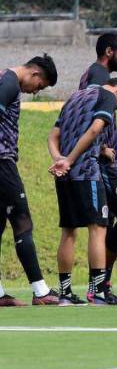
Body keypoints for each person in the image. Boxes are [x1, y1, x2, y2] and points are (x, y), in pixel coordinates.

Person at [47, 78, 117, 305]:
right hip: (86, 172)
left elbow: (53, 136)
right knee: (98, 228)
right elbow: (95, 129)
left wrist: (60, 160)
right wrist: (71, 160)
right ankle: (98, 291)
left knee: (69, 231)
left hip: (65, 176)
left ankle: (64, 293)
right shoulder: (107, 97)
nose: (116, 109)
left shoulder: (74, 97)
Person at [78, 32, 117, 303]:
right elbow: (88, 116)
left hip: (108, 164)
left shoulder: (99, 76)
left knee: (111, 221)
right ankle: (100, 283)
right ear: (109, 52)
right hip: (103, 165)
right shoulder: (100, 79)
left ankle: (100, 285)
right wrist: (101, 149)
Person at [0, 55, 60, 307]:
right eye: (41, 86)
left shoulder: (5, 78)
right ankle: (40, 291)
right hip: (2, 163)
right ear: (35, 74)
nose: (36, 92)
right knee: (22, 220)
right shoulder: (10, 83)